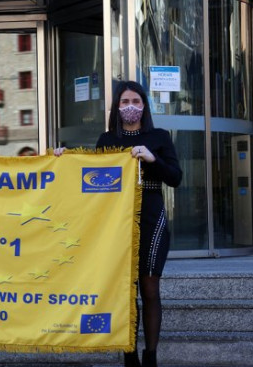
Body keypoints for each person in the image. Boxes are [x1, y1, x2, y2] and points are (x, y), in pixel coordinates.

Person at [54, 80, 182, 367]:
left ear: (144, 105)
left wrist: (152, 159)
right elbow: (88, 177)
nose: (130, 107)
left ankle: (150, 356)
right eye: (124, 102)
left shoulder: (159, 137)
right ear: (117, 107)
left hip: (151, 219)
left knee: (149, 289)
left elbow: (175, 177)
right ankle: (129, 355)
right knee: (123, 290)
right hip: (117, 223)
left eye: (135, 101)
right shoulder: (107, 140)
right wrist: (65, 159)